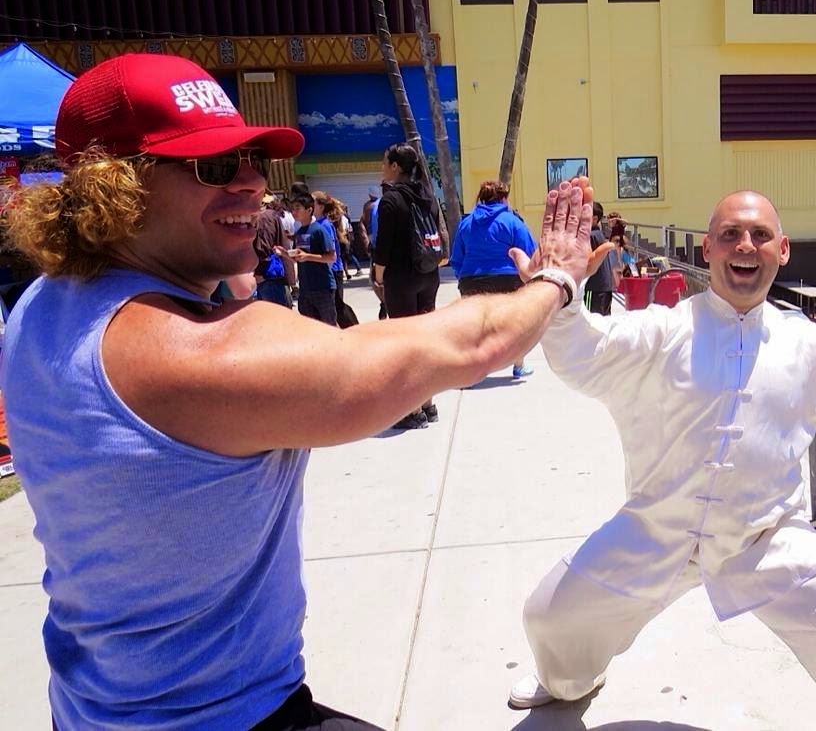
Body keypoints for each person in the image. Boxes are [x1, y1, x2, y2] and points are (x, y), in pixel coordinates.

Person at [0, 53, 602, 731]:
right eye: (215, 167)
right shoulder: (199, 351)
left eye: (252, 157)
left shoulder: (44, 308)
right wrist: (555, 277)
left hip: (92, 710)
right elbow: (471, 345)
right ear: (116, 188)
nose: (254, 182)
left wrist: (218, 271)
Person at [507, 187, 816, 730]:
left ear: (784, 250)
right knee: (545, 617)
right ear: (707, 249)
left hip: (766, 538)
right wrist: (560, 294)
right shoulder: (663, 330)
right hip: (656, 529)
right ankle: (569, 680)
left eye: (760, 235)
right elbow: (582, 353)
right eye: (730, 234)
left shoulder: (809, 345)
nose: (745, 245)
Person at [372, 142, 442, 429]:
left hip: (401, 279)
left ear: (396, 167)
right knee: (424, 342)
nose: (383, 167)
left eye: (385, 163)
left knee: (404, 345)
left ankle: (411, 411)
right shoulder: (427, 197)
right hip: (428, 274)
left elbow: (383, 249)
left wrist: (377, 278)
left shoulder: (391, 201)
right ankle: (428, 404)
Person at [450, 180, 538, 378]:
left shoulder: (467, 223)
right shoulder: (513, 221)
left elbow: (457, 257)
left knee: (473, 329)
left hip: (471, 279)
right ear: (503, 199)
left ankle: (470, 375)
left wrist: (463, 277)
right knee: (515, 325)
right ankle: (518, 365)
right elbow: (529, 252)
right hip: (508, 279)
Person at [288, 193, 338, 326]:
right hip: (305, 289)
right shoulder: (299, 232)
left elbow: (332, 257)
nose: (294, 212)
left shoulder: (319, 230)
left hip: (322, 287)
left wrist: (307, 257)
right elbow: (298, 257)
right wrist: (285, 254)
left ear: (309, 210)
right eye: (292, 209)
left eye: (297, 208)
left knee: (328, 326)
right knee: (310, 327)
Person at [312, 191, 358, 329]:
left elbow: (331, 252)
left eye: (312, 202)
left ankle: (352, 328)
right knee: (335, 305)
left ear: (320, 206)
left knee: (337, 305)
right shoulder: (319, 224)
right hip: (329, 271)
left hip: (332, 270)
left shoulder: (324, 225)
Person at [253, 193, 295, 307]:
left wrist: (259, 272)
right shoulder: (271, 216)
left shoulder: (264, 217)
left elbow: (263, 248)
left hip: (268, 276)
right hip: (274, 275)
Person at [583, 201, 617, 315]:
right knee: (604, 321)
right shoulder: (599, 234)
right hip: (604, 286)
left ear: (594, 218)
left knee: (590, 321)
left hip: (594, 286)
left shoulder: (591, 236)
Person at [361, 185, 386, 320]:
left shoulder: (368, 207)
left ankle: (383, 302)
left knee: (376, 279)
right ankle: (385, 302)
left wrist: (368, 245)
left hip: (376, 245)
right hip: (382, 245)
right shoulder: (378, 205)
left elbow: (362, 226)